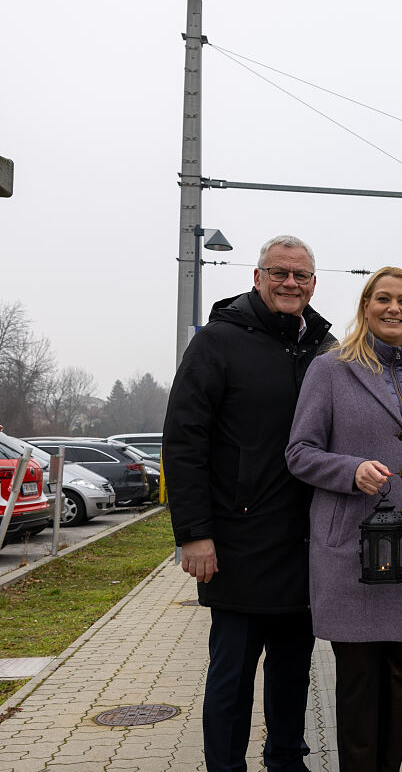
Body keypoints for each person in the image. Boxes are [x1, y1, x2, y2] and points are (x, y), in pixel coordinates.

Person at [286, 266, 402, 772]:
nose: (394, 309)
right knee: (360, 683)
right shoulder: (331, 370)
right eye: (383, 299)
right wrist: (349, 470)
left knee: (401, 682)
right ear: (365, 306)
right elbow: (298, 452)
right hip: (353, 550)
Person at [164, 235, 334, 772]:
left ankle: (286, 758)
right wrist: (193, 532)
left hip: (304, 540)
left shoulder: (323, 349)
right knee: (232, 673)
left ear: (313, 283)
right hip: (236, 542)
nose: (290, 283)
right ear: (256, 278)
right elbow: (184, 437)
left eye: (300, 275)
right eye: (278, 273)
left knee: (292, 669)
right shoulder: (218, 342)